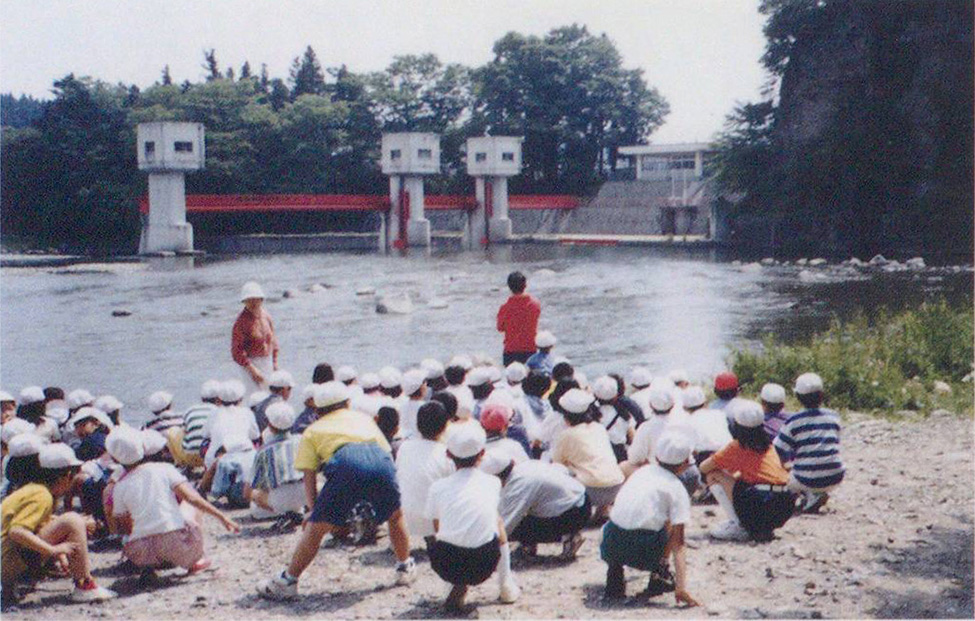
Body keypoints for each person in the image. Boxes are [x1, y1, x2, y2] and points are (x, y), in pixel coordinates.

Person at [256, 382, 416, 600]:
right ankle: (405, 567)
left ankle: (288, 580)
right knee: (395, 516)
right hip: (381, 461)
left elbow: (309, 474)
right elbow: (386, 450)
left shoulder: (312, 431)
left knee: (316, 529)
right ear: (348, 403)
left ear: (317, 410)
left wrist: (313, 511)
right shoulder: (364, 419)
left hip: (346, 464)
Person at [107, 426, 240, 577]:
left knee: (139, 528)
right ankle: (195, 561)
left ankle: (149, 569)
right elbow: (192, 498)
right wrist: (222, 517)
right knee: (189, 504)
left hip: (142, 554)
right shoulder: (164, 469)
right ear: (143, 448)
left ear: (114, 459)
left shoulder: (119, 486)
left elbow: (125, 527)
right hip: (177, 548)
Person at [1, 444, 116, 605]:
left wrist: (61, 555)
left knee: (70, 520)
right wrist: (53, 550)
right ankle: (85, 585)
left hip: (7, 561)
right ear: (67, 475)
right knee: (72, 520)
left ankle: (10, 587)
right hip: (7, 563)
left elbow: (39, 525)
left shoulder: (35, 490)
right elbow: (16, 531)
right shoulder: (41, 495)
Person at [425, 423, 520, 611]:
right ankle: (506, 585)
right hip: (483, 564)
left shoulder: (438, 487)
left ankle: (456, 583)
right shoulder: (492, 482)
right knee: (497, 523)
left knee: (438, 531)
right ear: (482, 454)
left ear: (448, 455)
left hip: (446, 564)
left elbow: (437, 528)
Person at [600, 432, 699, 607]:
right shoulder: (676, 488)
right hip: (643, 551)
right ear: (684, 464)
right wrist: (681, 587)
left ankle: (614, 570)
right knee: (671, 523)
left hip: (610, 543)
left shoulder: (641, 472)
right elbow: (679, 543)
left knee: (625, 520)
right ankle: (659, 573)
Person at [700, 399, 796, 542]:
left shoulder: (736, 446)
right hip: (784, 505)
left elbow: (704, 467)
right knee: (744, 482)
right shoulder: (769, 445)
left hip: (759, 502)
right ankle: (762, 529)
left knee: (714, 475)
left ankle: (739, 525)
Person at [483, 454, 589, 560]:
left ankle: (568, 537)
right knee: (528, 511)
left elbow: (507, 525)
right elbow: (563, 470)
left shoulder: (518, 485)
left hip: (574, 513)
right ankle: (529, 546)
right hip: (582, 498)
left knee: (515, 527)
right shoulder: (527, 465)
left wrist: (483, 546)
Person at [773, 373, 844, 514]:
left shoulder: (793, 422)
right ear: (822, 395)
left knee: (782, 472)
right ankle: (814, 494)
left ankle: (810, 494)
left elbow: (777, 451)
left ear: (798, 397)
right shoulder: (834, 416)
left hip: (807, 478)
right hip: (836, 475)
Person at [552, 389, 624, 514]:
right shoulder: (599, 428)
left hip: (590, 492)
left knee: (560, 471)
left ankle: (574, 517)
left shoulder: (566, 435)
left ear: (565, 416)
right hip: (616, 486)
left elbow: (556, 463)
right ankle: (602, 511)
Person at [395, 402, 454, 543]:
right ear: (445, 426)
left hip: (403, 521)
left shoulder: (404, 447)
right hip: (434, 523)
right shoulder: (447, 453)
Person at [246, 402, 305, 526]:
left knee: (254, 495)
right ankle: (299, 511)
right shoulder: (301, 441)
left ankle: (284, 514)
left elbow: (248, 491)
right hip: (305, 495)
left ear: (269, 424)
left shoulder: (263, 451)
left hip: (280, 500)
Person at [232, 281, 279, 390]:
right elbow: (236, 351)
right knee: (255, 397)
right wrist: (252, 370)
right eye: (249, 300)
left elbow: (273, 341)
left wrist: (275, 363)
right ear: (244, 301)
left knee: (271, 394)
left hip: (267, 361)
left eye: (256, 299)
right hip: (250, 364)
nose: (253, 303)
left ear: (261, 299)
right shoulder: (240, 322)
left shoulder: (266, 316)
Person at [170, 380, 221, 470]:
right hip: (211, 457)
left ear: (202, 398)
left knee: (175, 431)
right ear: (219, 399)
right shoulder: (219, 411)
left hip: (190, 457)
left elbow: (185, 431)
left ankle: (179, 463)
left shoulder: (190, 410)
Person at [496, 272, 542, 366]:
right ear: (525, 285)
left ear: (509, 287)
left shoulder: (505, 308)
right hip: (530, 349)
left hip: (510, 351)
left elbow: (500, 328)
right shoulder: (535, 305)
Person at [593, 376, 637, 463]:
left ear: (595, 395)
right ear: (616, 395)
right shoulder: (624, 414)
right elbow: (633, 440)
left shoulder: (591, 415)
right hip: (620, 457)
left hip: (599, 456)